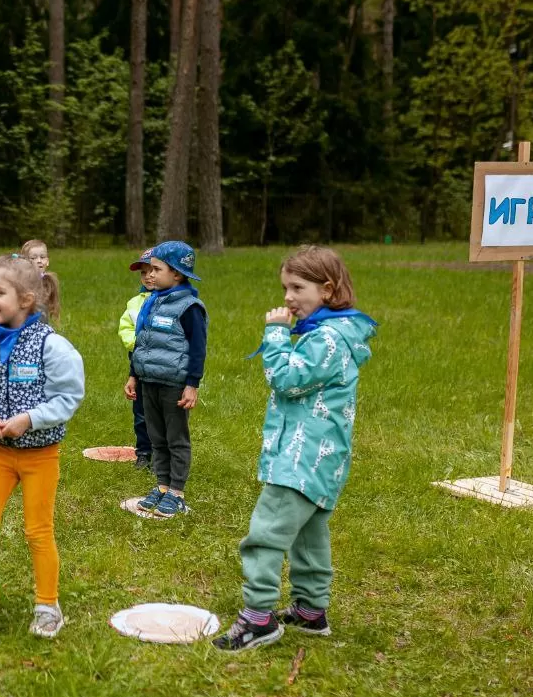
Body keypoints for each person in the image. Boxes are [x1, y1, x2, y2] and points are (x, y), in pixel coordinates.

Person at [213, 246, 377, 652]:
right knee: (308, 536)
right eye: (285, 287)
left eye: (297, 288)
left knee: (266, 534)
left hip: (302, 456)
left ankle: (258, 619)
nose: (287, 297)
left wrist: (274, 335)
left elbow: (286, 379)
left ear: (328, 289)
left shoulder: (327, 339)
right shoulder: (334, 333)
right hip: (321, 458)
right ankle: (310, 610)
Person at [0, 254, 84, 639]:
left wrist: (30, 419)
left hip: (41, 456)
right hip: (0, 455)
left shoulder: (52, 347)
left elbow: (69, 397)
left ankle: (48, 604)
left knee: (38, 532)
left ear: (25, 299)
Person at [125, 241, 207, 518]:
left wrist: (192, 385)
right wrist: (134, 375)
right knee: (156, 436)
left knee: (176, 438)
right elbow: (142, 342)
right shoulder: (151, 302)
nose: (150, 274)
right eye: (149, 270)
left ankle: (177, 492)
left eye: (156, 269)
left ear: (177, 274)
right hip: (148, 381)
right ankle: (162, 485)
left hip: (174, 385)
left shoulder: (190, 308)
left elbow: (198, 350)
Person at [117, 247, 154, 470]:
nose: (148, 276)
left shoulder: (174, 301)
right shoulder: (134, 303)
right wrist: (137, 342)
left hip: (165, 364)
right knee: (141, 412)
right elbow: (125, 328)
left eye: (153, 271)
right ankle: (143, 453)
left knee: (161, 413)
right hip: (139, 360)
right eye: (143, 272)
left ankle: (162, 455)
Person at [19, 239, 61, 322]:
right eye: (33, 258)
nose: (39, 261)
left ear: (47, 261)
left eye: (42, 257)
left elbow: (52, 303)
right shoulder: (21, 282)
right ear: (24, 262)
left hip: (42, 321)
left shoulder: (48, 280)